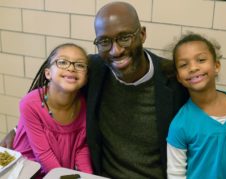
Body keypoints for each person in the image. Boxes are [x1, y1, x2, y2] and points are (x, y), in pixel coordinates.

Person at [1, 2, 189, 178]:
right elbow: (50, 95)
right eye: (104, 41)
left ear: (142, 34)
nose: (115, 50)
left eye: (124, 38)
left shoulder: (173, 78)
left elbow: (208, 108)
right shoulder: (94, 68)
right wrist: (18, 129)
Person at [166, 33, 226, 179]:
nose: (193, 68)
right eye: (184, 65)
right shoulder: (180, 125)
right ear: (179, 77)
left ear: (216, 66)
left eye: (201, 60)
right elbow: (175, 174)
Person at [12, 43, 93, 177]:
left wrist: (88, 176)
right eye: (62, 62)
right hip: (29, 171)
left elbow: (81, 148)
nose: (71, 68)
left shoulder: (84, 105)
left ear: (86, 78)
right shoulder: (30, 104)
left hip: (61, 171)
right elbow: (43, 155)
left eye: (80, 65)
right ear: (48, 73)